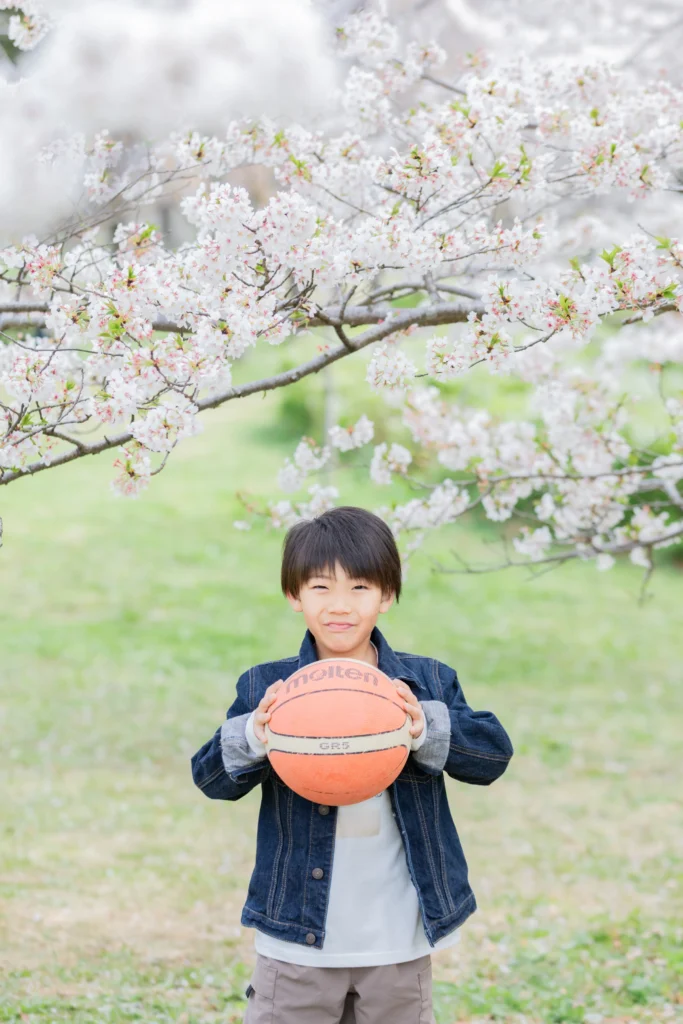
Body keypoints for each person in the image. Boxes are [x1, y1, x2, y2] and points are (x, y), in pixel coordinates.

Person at [191, 506, 513, 1024]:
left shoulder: (425, 681)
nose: (340, 606)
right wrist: (255, 732)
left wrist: (423, 728)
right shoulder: (265, 688)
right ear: (294, 596)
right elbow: (209, 778)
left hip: (397, 942)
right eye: (321, 588)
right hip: (295, 942)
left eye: (360, 588)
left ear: (386, 596)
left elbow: (492, 755)